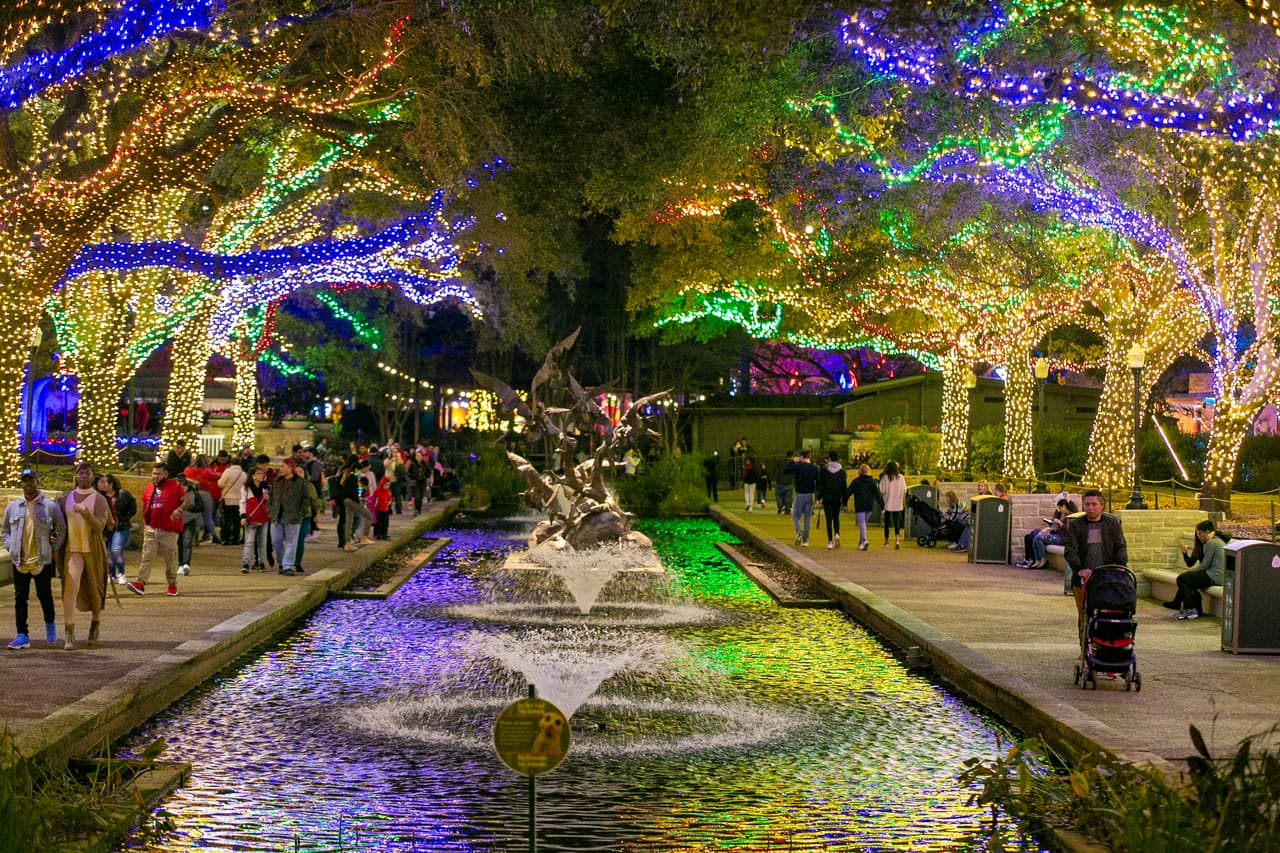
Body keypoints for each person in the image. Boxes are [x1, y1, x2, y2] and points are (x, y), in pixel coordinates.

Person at [5, 470, 66, 650]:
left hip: (42, 560)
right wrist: (11, 547)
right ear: (21, 484)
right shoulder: (13, 506)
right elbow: (6, 530)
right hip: (20, 561)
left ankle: (50, 624)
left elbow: (61, 528)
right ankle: (22, 634)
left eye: (31, 480)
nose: (28, 484)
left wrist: (53, 547)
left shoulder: (50, 506)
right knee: (20, 598)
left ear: (36, 482)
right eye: (25, 481)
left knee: (44, 595)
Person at [57, 462, 112, 649]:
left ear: (92, 476)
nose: (83, 476)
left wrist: (86, 513)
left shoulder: (99, 500)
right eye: (80, 473)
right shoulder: (66, 499)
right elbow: (59, 524)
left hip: (93, 550)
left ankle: (95, 623)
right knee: (70, 588)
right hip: (72, 550)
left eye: (87, 473)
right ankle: (69, 631)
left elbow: (99, 526)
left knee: (95, 590)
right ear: (76, 476)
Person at [1063, 489, 1128, 639]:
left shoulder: (1111, 523)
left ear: (1102, 505)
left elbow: (1120, 546)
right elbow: (1070, 550)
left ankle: (1103, 643)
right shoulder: (1076, 525)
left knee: (1106, 612)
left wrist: (1120, 566)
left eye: (1094, 504)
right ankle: (1084, 646)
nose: (1090, 508)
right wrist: (1079, 569)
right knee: (1084, 614)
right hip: (1083, 579)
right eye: (1087, 504)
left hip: (1107, 577)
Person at [126, 462, 190, 597]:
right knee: (146, 557)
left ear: (165, 474)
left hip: (168, 530)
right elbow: (145, 505)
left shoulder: (175, 486)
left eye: (158, 474)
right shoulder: (149, 488)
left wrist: (179, 510)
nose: (155, 476)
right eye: (154, 473)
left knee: (170, 559)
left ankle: (172, 585)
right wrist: (146, 523)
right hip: (151, 528)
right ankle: (140, 583)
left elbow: (186, 501)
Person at [1163, 520, 1228, 620]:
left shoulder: (1212, 543)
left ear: (1207, 532)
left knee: (1182, 578)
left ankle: (1190, 609)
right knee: (1188, 580)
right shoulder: (1217, 541)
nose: (1198, 536)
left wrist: (1190, 572)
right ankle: (1196, 609)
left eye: (1200, 533)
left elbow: (1205, 565)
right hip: (1217, 575)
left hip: (1214, 576)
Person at [266, 461, 310, 576]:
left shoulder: (300, 482)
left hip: (293, 516)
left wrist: (300, 514)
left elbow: (306, 499)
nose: (280, 468)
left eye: (283, 466)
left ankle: (288, 565)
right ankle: (281, 562)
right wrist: (270, 511)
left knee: (291, 542)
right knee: (276, 541)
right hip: (276, 515)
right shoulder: (277, 481)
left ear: (290, 468)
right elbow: (271, 497)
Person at [96, 474, 135, 585]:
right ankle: (112, 575)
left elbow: (132, 507)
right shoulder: (101, 497)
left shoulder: (123, 494)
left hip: (121, 527)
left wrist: (124, 518)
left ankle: (121, 573)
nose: (102, 485)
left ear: (111, 484)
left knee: (116, 550)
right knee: (109, 553)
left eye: (105, 482)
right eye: (101, 482)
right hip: (107, 528)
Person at [1018, 498, 1075, 569]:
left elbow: (1069, 530)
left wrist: (1059, 523)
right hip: (1058, 536)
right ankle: (1037, 560)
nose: (1060, 510)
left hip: (1063, 539)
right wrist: (1052, 527)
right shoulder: (1064, 515)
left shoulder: (1072, 516)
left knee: (1038, 538)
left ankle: (1043, 558)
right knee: (1037, 537)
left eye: (1060, 508)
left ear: (1064, 506)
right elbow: (1059, 529)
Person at [785, 450, 820, 547]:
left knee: (796, 516)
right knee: (807, 518)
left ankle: (798, 531)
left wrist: (793, 461)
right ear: (809, 456)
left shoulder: (798, 466)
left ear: (801, 456)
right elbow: (818, 482)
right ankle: (805, 540)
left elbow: (786, 470)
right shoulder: (814, 468)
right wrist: (818, 497)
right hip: (810, 494)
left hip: (800, 494)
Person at [240, 467, 270, 572]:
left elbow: (269, 502)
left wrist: (268, 498)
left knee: (262, 542)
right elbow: (242, 502)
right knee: (249, 541)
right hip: (251, 518)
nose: (261, 475)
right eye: (258, 473)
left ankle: (261, 562)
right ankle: (246, 563)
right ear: (253, 476)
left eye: (262, 473)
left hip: (263, 517)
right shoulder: (246, 488)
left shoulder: (265, 488)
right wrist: (242, 516)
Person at [846, 464, 881, 551]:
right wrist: (882, 506)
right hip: (869, 506)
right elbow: (877, 494)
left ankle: (864, 540)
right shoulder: (872, 482)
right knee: (863, 524)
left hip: (860, 505)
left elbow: (848, 492)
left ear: (859, 471)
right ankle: (860, 543)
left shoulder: (856, 481)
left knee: (862, 524)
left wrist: (844, 502)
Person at [817, 451, 847, 549]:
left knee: (828, 519)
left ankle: (830, 541)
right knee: (836, 517)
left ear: (829, 459)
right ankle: (837, 534)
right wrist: (845, 501)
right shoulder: (842, 472)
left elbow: (821, 485)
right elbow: (844, 487)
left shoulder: (824, 471)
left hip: (827, 497)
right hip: (837, 497)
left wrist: (818, 497)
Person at [177, 476, 205, 576]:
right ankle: (180, 564)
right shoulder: (174, 494)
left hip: (190, 520)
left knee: (187, 542)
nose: (183, 488)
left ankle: (186, 564)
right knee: (179, 543)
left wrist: (191, 508)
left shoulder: (194, 494)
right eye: (180, 486)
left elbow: (201, 507)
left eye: (184, 486)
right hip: (177, 521)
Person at [879, 460, 906, 549]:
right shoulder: (901, 477)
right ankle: (897, 540)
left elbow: (881, 490)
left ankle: (886, 542)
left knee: (887, 522)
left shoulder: (885, 477)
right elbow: (904, 489)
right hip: (898, 503)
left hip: (888, 502)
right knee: (896, 521)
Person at [774, 451, 795, 515]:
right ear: (791, 456)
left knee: (778, 495)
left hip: (779, 482)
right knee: (788, 496)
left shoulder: (780, 462)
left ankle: (780, 506)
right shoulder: (792, 464)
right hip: (789, 483)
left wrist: (776, 479)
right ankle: (787, 509)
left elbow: (776, 471)